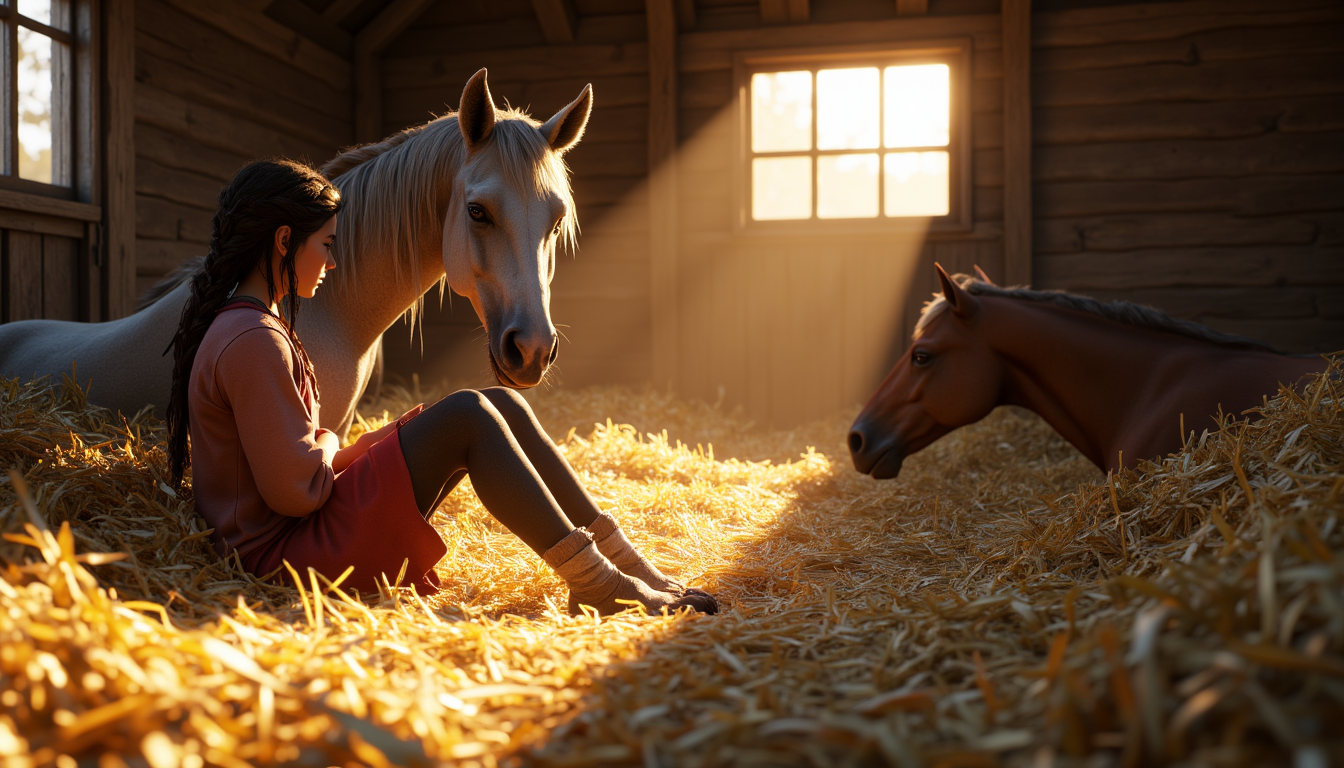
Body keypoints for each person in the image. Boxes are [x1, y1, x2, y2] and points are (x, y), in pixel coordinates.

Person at [164, 158, 715, 616]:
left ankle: (622, 563)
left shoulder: (254, 327)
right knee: (468, 417)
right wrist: (332, 441)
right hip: (286, 559)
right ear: (284, 241)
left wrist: (378, 439)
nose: (333, 262)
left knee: (499, 402)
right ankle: (596, 583)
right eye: (326, 245)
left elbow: (298, 468)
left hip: (296, 534)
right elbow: (296, 489)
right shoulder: (253, 340)